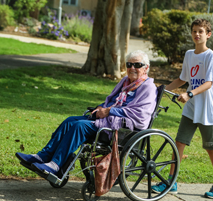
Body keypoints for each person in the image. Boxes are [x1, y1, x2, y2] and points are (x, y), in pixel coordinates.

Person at [16, 50, 157, 177]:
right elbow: (112, 101)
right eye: (129, 64)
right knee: (69, 121)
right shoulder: (125, 82)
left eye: (137, 65)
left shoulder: (148, 87)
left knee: (80, 126)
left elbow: (141, 116)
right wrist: (101, 108)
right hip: (106, 119)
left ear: (146, 68)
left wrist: (109, 111)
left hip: (121, 129)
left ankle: (55, 165)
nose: (132, 68)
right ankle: (43, 156)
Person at [151, 19, 213, 199]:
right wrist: (163, 90)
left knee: (211, 148)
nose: (197, 34)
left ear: (208, 34)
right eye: (194, 31)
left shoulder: (211, 56)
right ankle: (171, 182)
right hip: (191, 109)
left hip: (207, 110)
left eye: (201, 31)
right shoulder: (189, 54)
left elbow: (209, 83)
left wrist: (190, 94)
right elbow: (183, 79)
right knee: (179, 143)